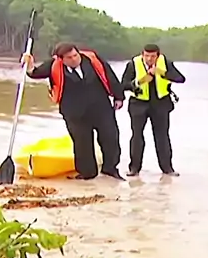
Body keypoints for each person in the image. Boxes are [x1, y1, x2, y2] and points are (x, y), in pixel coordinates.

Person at [22, 43, 125, 180]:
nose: (74, 59)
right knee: (82, 143)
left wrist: (119, 97)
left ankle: (110, 169)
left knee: (110, 138)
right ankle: (87, 173)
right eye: (69, 57)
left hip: (101, 107)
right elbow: (35, 73)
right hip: (74, 112)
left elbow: (110, 76)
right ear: (61, 59)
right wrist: (29, 64)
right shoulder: (54, 65)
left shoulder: (92, 59)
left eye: (75, 55)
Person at [121, 44, 185, 177]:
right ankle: (134, 168)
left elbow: (180, 79)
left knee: (162, 136)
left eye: (153, 56)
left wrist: (162, 72)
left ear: (158, 55)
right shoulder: (133, 64)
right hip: (138, 104)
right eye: (146, 56)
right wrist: (139, 82)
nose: (149, 59)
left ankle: (167, 169)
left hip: (160, 104)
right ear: (142, 54)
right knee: (137, 136)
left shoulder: (166, 63)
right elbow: (123, 85)